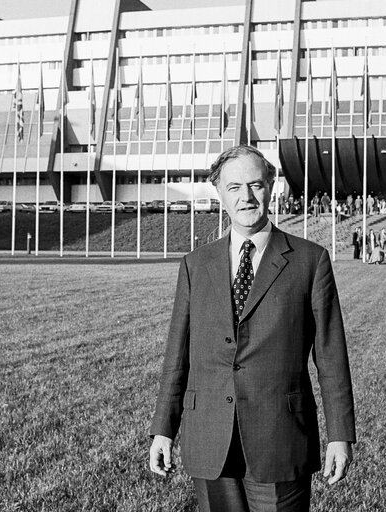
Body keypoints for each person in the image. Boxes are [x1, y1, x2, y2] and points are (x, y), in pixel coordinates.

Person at [149, 145, 356, 511]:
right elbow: (177, 356)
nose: (245, 197)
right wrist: (163, 428)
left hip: (280, 439)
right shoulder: (196, 265)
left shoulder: (310, 261)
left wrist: (340, 436)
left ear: (271, 186)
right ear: (220, 194)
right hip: (211, 438)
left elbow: (331, 357)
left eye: (255, 185)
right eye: (234, 188)